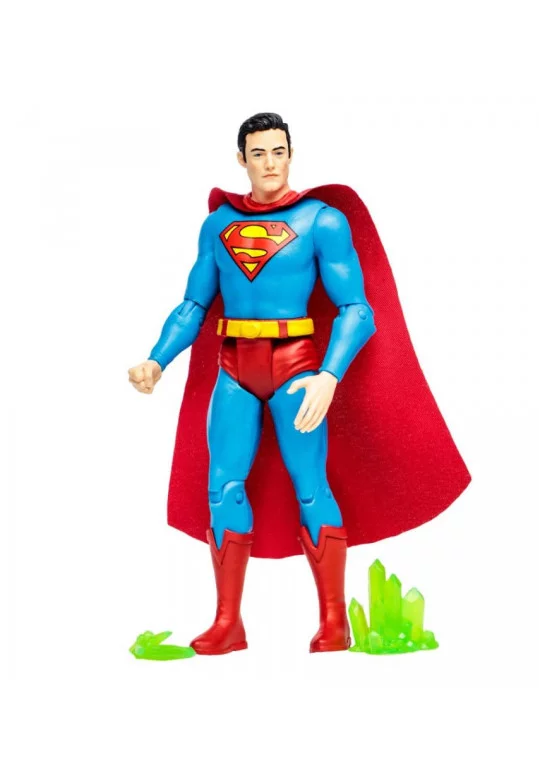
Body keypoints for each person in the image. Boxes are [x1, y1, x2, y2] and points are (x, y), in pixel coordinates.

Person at [129, 112, 471, 656]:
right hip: (234, 368)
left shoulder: (321, 221)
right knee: (223, 488)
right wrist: (157, 359)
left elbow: (357, 309)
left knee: (311, 485)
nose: (270, 163)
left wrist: (329, 376)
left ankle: (334, 621)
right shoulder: (218, 226)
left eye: (278, 151)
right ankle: (228, 622)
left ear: (291, 154)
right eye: (258, 153)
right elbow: (194, 303)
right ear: (241, 159)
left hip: (296, 367)